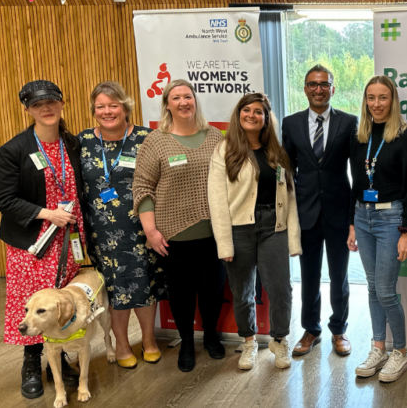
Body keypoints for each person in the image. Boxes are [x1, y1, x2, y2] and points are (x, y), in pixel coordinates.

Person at [0, 80, 84, 399]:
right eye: (37, 104)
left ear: (62, 103)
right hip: (31, 247)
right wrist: (47, 214)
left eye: (51, 102)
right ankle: (32, 363)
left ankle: (57, 362)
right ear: (28, 110)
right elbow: (4, 199)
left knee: (58, 306)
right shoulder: (14, 150)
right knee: (32, 306)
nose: (46, 108)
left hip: (66, 243)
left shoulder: (71, 143)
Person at [133, 79, 225, 372]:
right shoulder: (155, 141)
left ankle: (211, 335)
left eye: (188, 96)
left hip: (214, 234)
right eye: (176, 98)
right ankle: (186, 341)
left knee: (212, 291)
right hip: (173, 236)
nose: (183, 102)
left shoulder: (215, 137)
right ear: (167, 104)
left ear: (195, 101)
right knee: (182, 294)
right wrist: (151, 231)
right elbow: (143, 186)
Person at [208, 93, 301, 370]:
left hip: (274, 227)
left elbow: (290, 198)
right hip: (239, 229)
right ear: (239, 116)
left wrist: (293, 240)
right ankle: (249, 343)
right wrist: (224, 244)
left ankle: (279, 340)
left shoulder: (277, 152)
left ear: (265, 118)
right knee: (243, 292)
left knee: (281, 289)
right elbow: (216, 199)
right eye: (246, 110)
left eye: (258, 111)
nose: (252, 115)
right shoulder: (225, 150)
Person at [78, 81, 167, 369]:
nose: (107, 111)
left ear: (125, 107)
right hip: (101, 233)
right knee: (114, 290)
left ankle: (149, 339)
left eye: (113, 105)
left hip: (143, 228)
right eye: (101, 106)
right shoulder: (82, 142)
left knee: (144, 285)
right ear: (94, 111)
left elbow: (162, 180)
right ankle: (122, 343)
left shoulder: (147, 138)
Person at [347, 75, 407, 383]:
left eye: (383, 97)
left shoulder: (404, 136)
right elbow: (356, 180)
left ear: (393, 100)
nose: (376, 104)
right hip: (362, 217)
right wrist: (352, 223)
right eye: (371, 98)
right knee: (373, 287)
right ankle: (378, 347)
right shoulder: (359, 135)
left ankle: (400, 351)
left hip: (392, 218)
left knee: (387, 292)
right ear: (365, 101)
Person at [282, 65, 358, 357]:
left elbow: (357, 174)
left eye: (324, 84)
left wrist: (353, 220)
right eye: (313, 84)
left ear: (332, 89)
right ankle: (311, 330)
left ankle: (339, 330)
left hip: (339, 212)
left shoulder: (349, 123)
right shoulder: (291, 124)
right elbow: (287, 172)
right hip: (305, 213)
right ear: (305, 89)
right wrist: (287, 217)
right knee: (308, 275)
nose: (318, 89)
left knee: (339, 276)